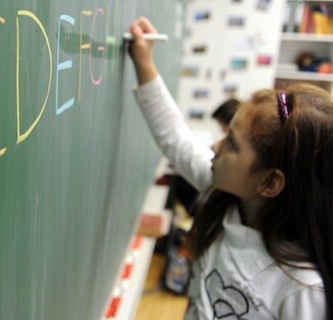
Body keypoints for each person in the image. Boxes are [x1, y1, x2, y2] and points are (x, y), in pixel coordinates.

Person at [127, 17, 332, 319]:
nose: (215, 147)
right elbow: (176, 137)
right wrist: (144, 61)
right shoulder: (225, 196)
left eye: (232, 144)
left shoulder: (304, 291)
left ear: (270, 183)